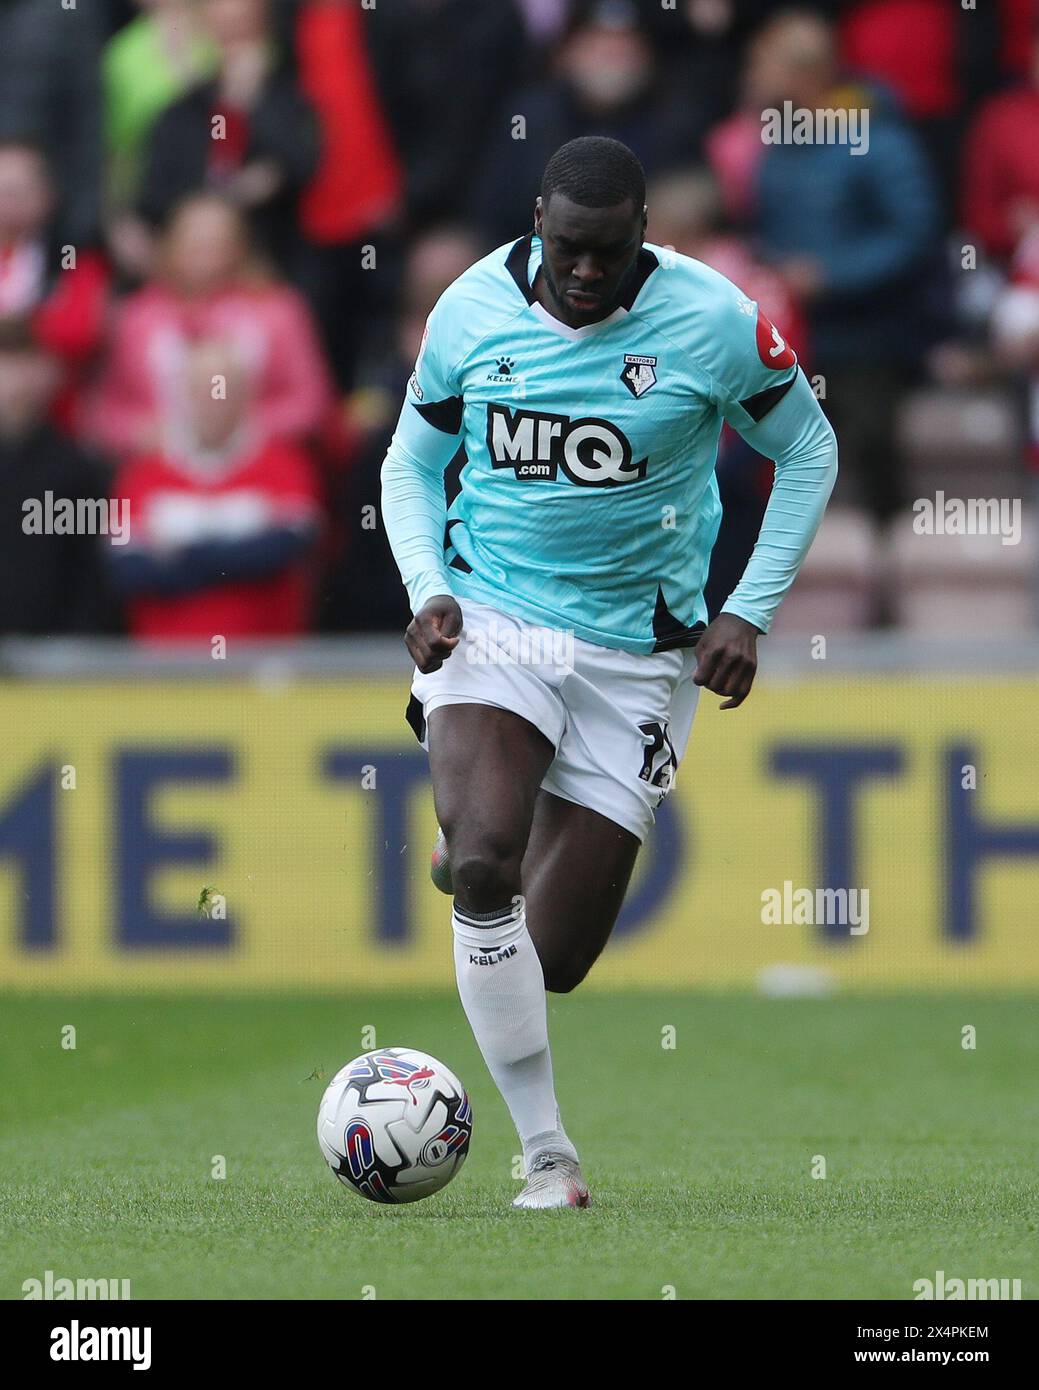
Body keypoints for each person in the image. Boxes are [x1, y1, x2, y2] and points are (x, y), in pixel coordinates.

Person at [380, 137, 837, 1209]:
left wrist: (747, 611)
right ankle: (548, 1156)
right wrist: (426, 588)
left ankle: (487, 830)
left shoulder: (714, 318)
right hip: (496, 615)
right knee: (489, 867)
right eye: (570, 250)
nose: (588, 273)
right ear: (539, 221)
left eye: (612, 251)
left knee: (560, 958)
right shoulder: (469, 311)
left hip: (641, 653)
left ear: (645, 230)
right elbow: (411, 459)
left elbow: (808, 449)